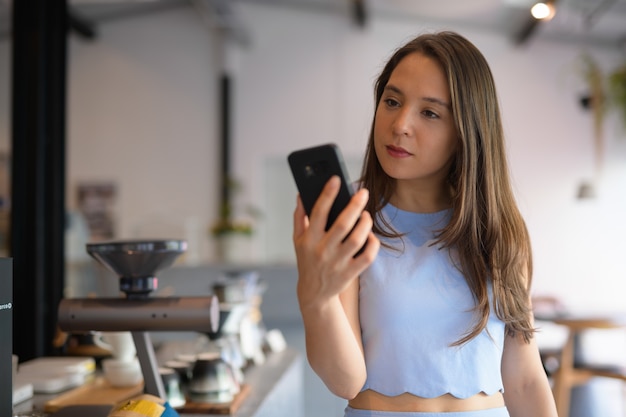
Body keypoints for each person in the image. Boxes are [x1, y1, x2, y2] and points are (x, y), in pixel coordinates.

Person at [292, 31, 558, 417]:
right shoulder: (353, 219)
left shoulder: (498, 228)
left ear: (467, 131)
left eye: (430, 112)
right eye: (392, 101)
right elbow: (344, 380)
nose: (400, 124)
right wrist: (314, 297)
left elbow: (525, 379)